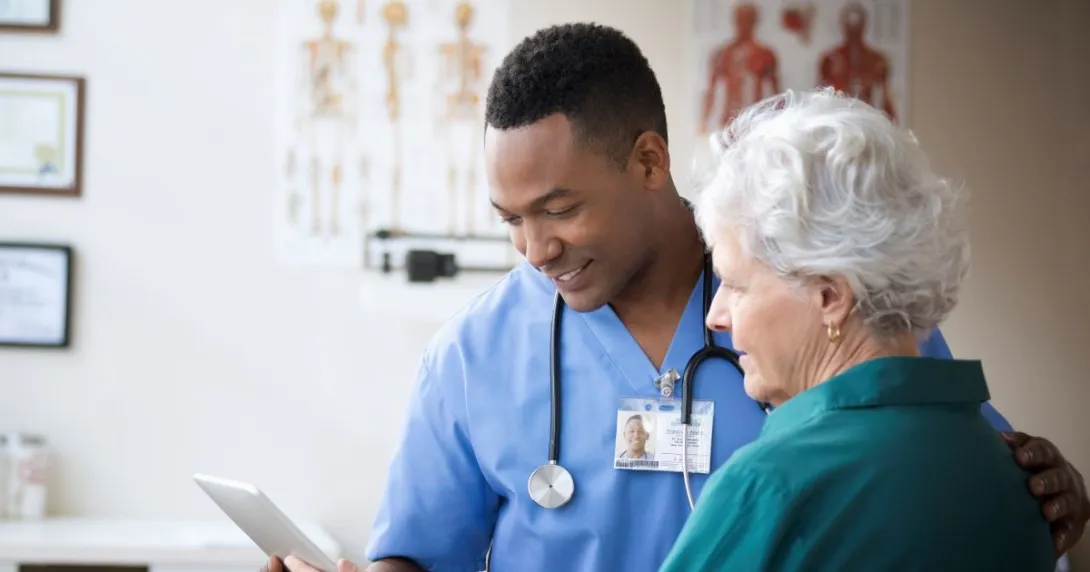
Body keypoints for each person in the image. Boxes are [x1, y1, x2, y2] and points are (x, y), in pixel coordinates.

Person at [266, 23, 1089, 572]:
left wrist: (1046, 486)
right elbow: (413, 554)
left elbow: (940, 474)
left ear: (650, 162)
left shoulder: (814, 295)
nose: (535, 248)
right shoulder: (473, 355)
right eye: (511, 219)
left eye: (559, 208)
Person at [658, 88, 1057, 570]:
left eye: (737, 286)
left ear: (829, 297)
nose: (715, 315)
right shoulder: (1015, 478)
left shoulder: (771, 487)